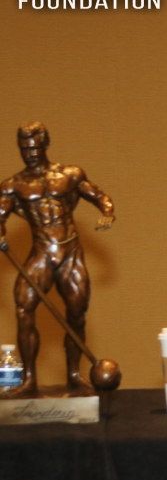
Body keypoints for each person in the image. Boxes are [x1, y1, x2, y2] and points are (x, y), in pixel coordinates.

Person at [0, 122, 115, 396]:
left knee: (76, 313)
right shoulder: (13, 185)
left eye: (34, 148)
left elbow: (100, 196)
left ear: (45, 145)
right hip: (41, 252)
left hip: (70, 251)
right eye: (24, 149)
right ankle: (29, 380)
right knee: (23, 308)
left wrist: (107, 213)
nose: (30, 154)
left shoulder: (70, 175)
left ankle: (74, 376)